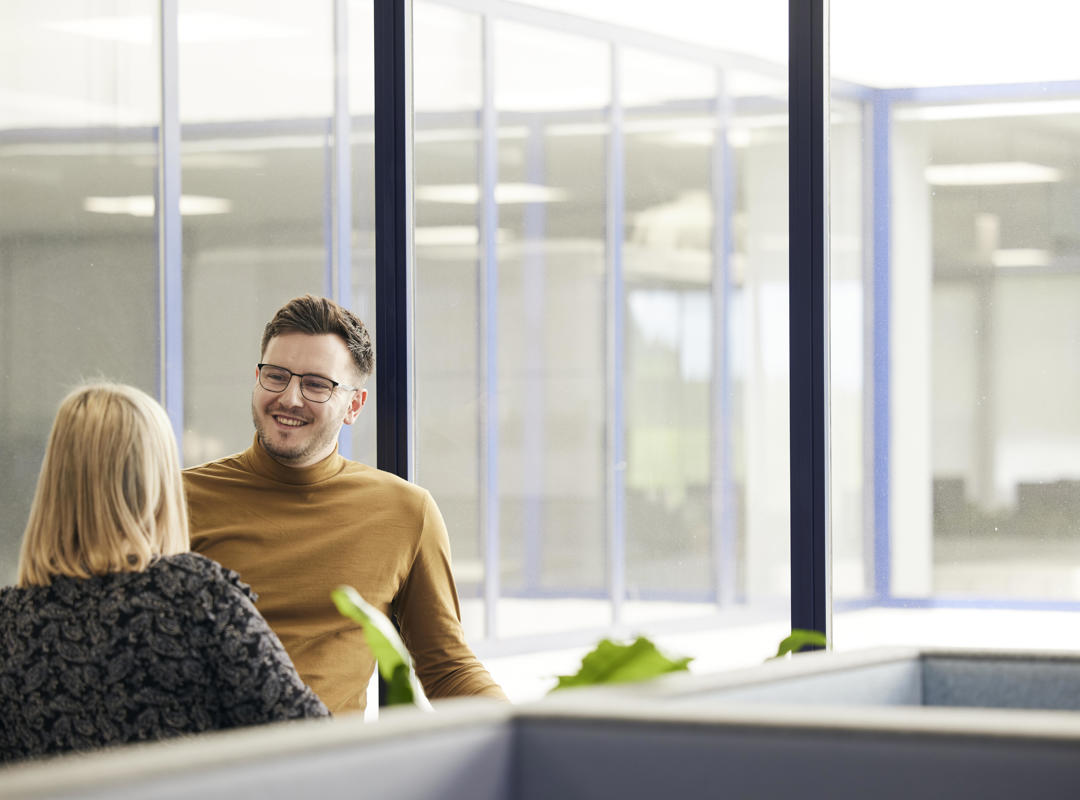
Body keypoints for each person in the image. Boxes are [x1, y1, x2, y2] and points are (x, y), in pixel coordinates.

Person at [184, 295, 506, 713]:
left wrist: (533, 739)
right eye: (276, 376)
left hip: (334, 770)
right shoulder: (177, 500)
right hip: (205, 769)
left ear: (354, 405)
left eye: (317, 384)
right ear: (257, 378)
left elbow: (448, 668)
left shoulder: (406, 512)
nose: (290, 398)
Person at [0, 383, 328, 764]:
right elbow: (313, 742)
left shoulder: (9, 622)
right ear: (158, 482)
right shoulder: (193, 594)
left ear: (54, 482)